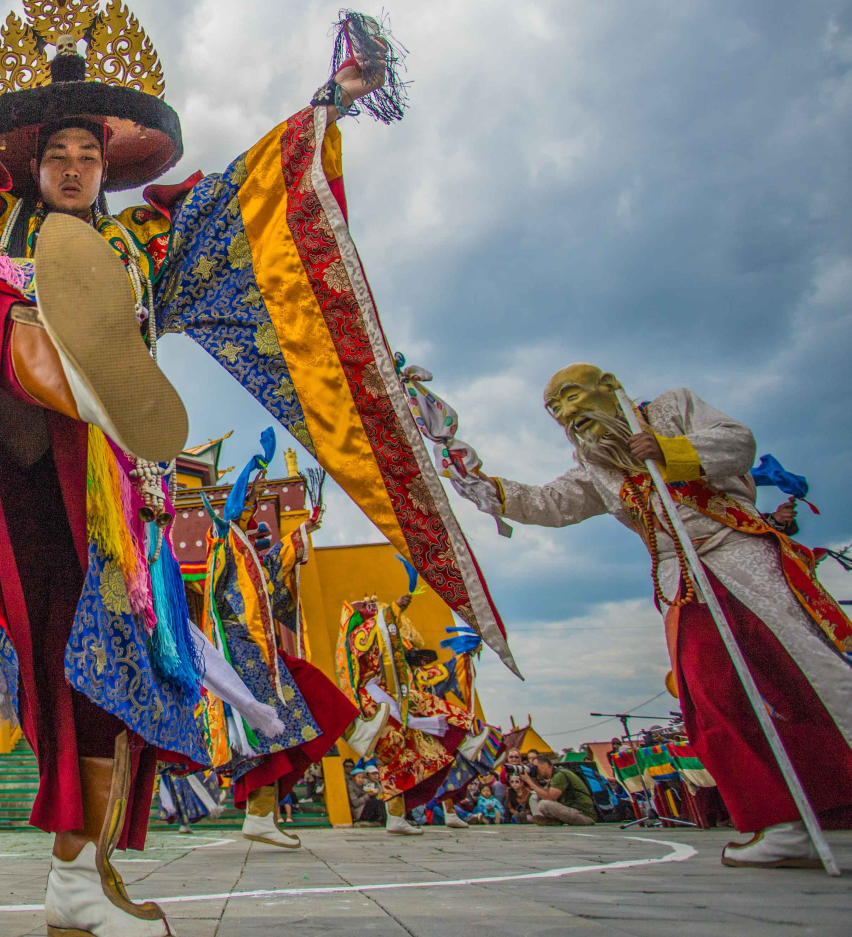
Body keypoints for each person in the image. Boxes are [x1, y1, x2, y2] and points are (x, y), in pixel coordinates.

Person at [0, 0, 507, 937]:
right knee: (76, 665)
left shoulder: (143, 244)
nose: (76, 167)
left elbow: (251, 198)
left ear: (108, 167)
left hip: (121, 489)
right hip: (26, 472)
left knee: (128, 671)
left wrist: (327, 103)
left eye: (90, 156)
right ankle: (72, 880)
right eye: (58, 156)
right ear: (33, 165)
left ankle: (86, 876)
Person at [453, 365, 852, 868]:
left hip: (735, 550)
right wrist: (482, 484)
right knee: (711, 700)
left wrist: (669, 451)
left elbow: (737, 444)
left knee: (805, 672)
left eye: (571, 397)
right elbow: (551, 503)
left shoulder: (674, 408)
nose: (566, 414)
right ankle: (780, 822)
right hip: (681, 580)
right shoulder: (595, 465)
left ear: (609, 386)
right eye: (554, 409)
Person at [182, 432, 358, 851]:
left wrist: (303, 531)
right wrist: (255, 469)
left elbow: (271, 578)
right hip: (245, 657)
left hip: (261, 655)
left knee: (304, 702)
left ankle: (265, 814)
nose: (256, 505)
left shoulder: (241, 546)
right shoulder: (224, 542)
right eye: (251, 500)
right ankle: (261, 816)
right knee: (269, 736)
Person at [336, 590, 502, 835]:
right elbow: (382, 627)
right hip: (379, 701)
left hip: (389, 697)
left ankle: (466, 742)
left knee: (404, 754)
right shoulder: (361, 634)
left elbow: (392, 639)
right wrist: (395, 607)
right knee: (395, 758)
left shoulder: (394, 657)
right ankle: (398, 816)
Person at [519, 755, 596, 826]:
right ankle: (548, 820)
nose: (535, 770)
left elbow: (550, 797)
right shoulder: (554, 776)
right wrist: (533, 779)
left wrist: (529, 782)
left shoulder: (560, 775)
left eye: (536, 767)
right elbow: (542, 793)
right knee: (534, 798)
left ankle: (542, 820)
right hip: (574, 812)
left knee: (544, 804)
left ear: (545, 765)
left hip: (584, 816)